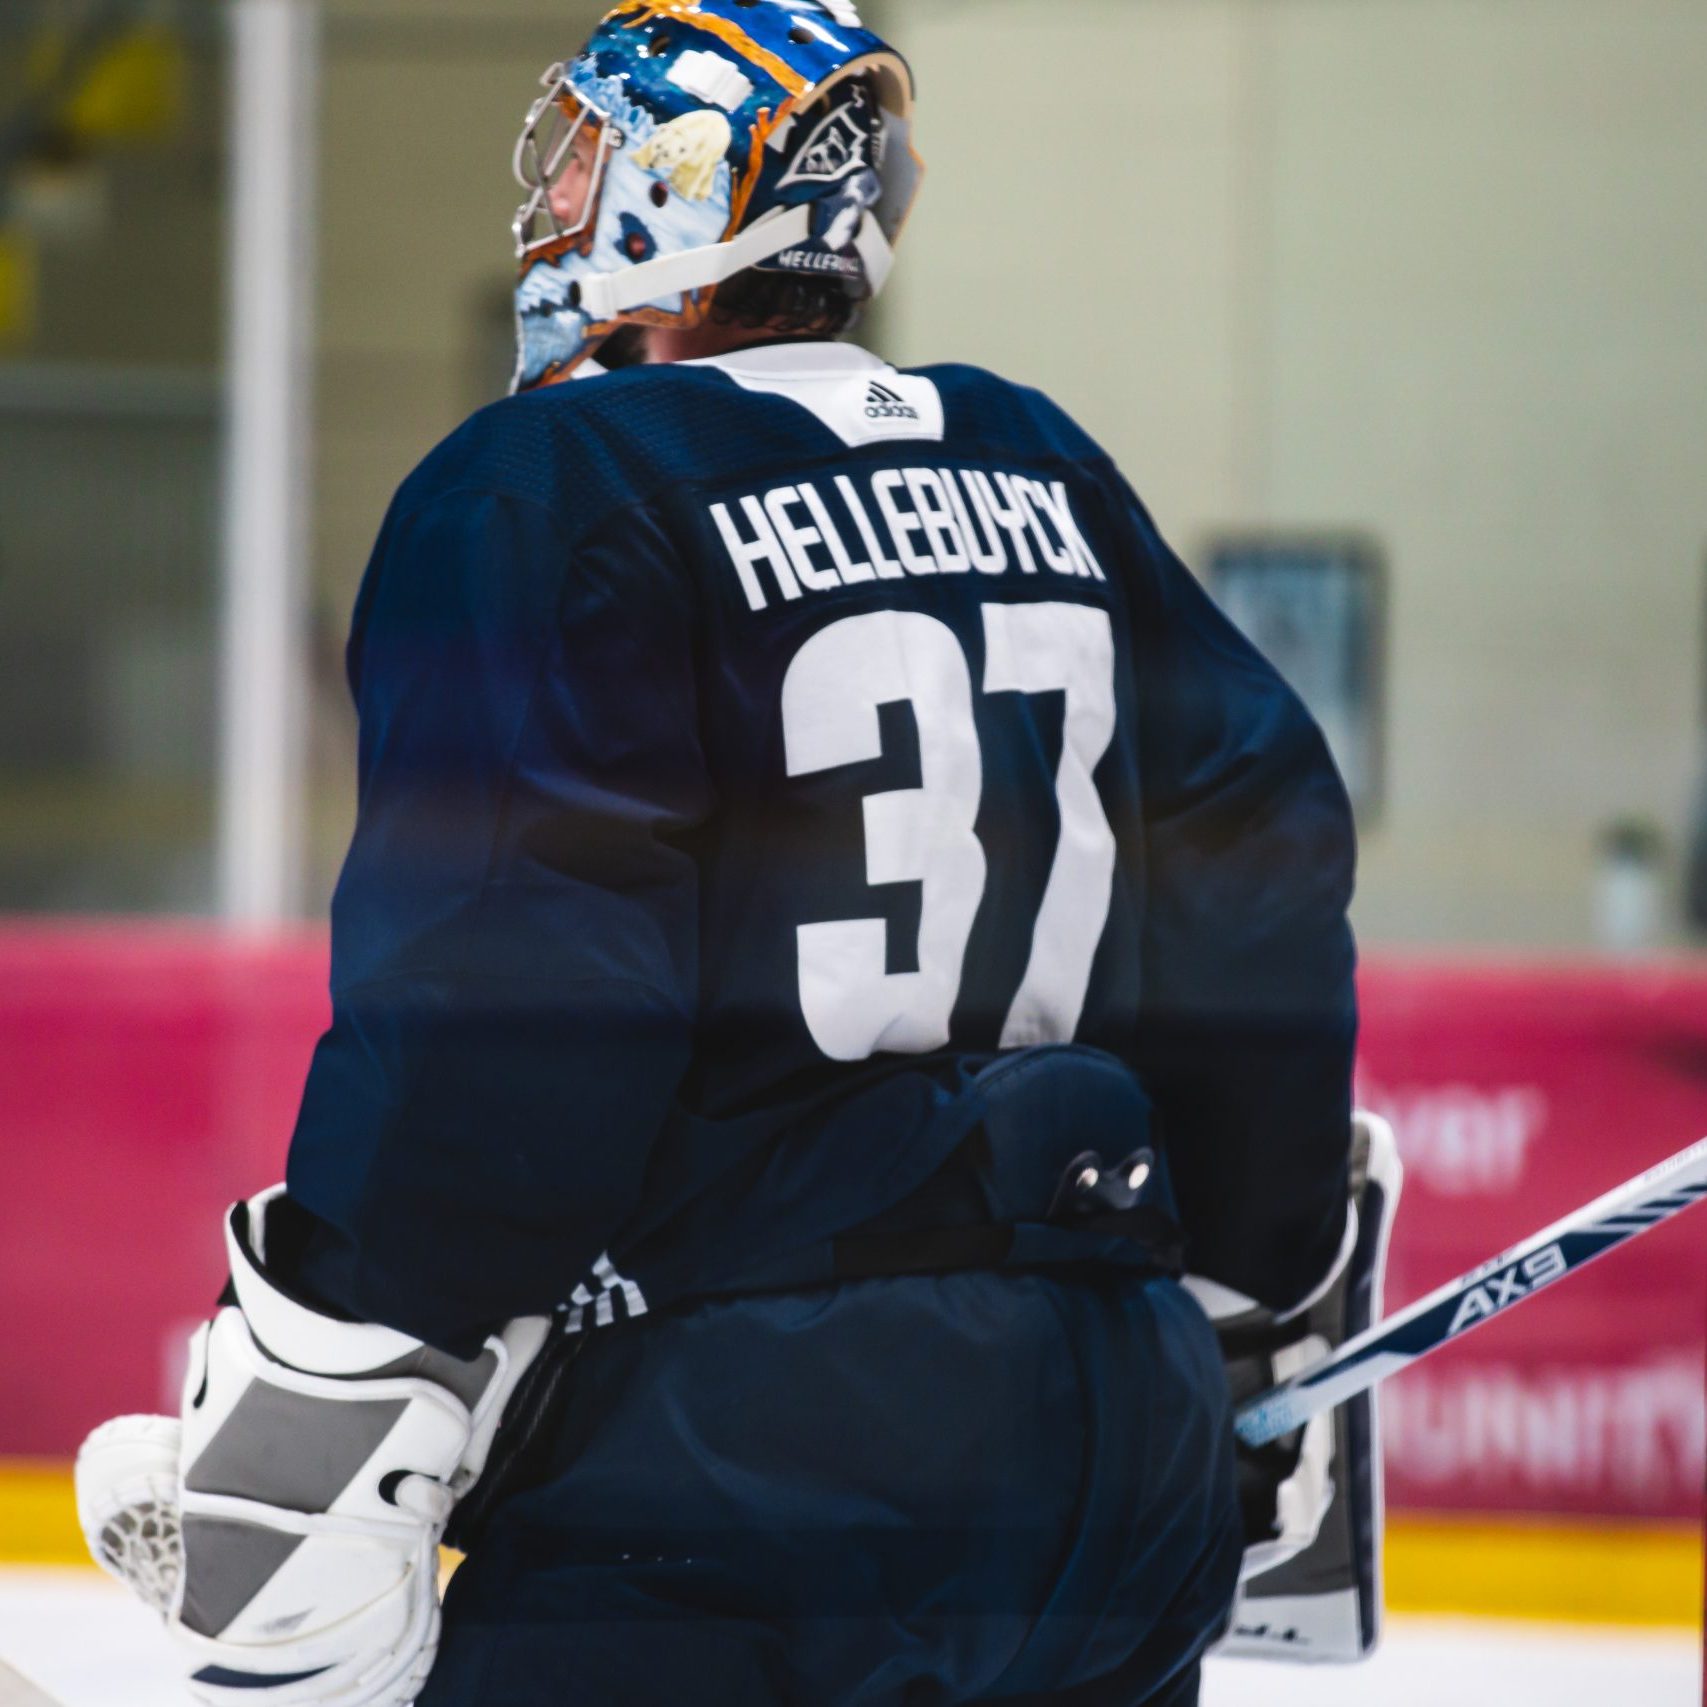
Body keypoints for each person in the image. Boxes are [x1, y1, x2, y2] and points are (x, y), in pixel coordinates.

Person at [75, 5, 1394, 1703]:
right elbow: (1260, 866)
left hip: (741, 1451)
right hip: (1111, 1449)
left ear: (677, 200)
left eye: (585, 160)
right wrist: (1243, 1296)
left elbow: (515, 997)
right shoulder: (1048, 468)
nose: (553, 201)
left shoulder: (552, 487)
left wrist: (346, 1356)